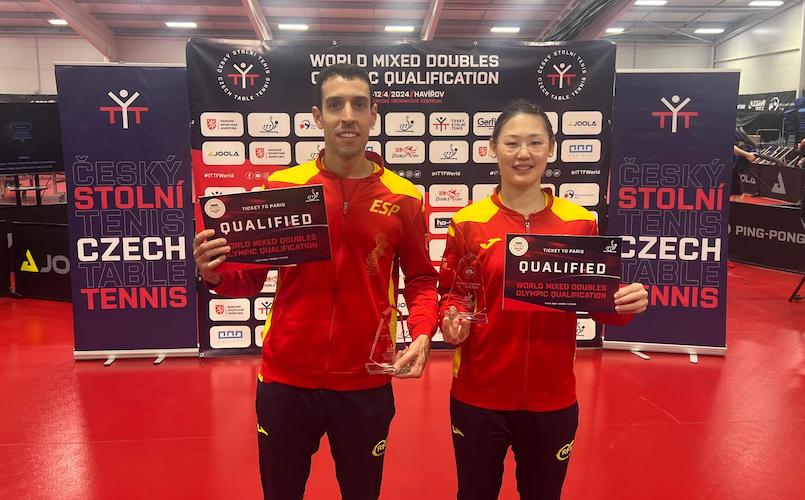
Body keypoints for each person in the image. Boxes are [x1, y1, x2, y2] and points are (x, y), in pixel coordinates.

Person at [192, 64, 438, 500]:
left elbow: (421, 279)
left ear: (373, 114)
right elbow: (247, 279)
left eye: (359, 105)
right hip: (287, 381)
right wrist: (212, 274)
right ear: (316, 116)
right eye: (335, 105)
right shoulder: (283, 186)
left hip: (365, 382)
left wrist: (421, 333)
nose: (348, 115)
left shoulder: (404, 197)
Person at [438, 99, 649, 500]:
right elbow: (453, 294)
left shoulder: (580, 222)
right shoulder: (467, 221)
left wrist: (626, 303)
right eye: (512, 143)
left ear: (550, 149)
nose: (523, 154)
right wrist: (452, 320)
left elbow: (601, 302)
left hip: (552, 400)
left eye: (535, 143)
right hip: (479, 397)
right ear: (492, 148)